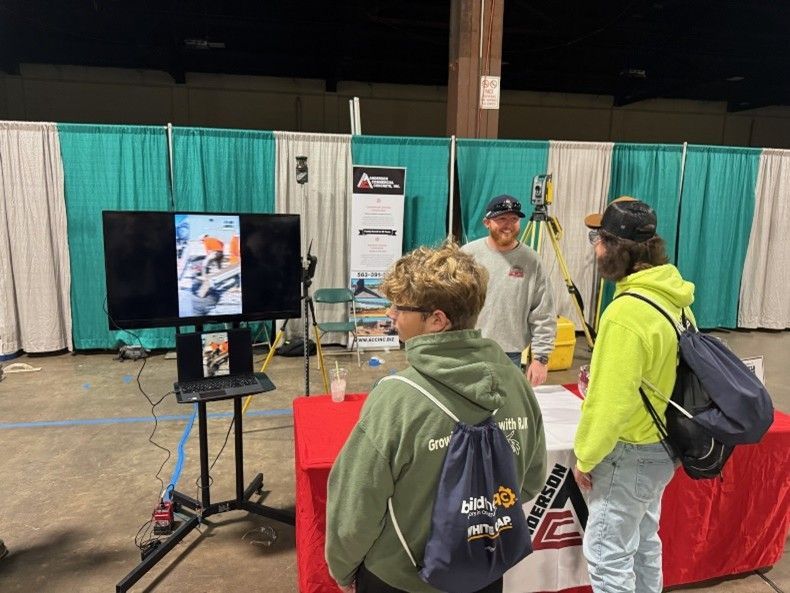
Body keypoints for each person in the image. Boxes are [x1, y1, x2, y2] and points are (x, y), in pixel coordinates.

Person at [325, 241, 547, 593]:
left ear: (436, 320)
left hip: (401, 578)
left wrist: (342, 569)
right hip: (484, 570)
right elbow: (532, 480)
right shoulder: (515, 382)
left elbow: (355, 511)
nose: (390, 315)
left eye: (400, 307)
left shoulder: (395, 399)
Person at [573, 197, 694, 593]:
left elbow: (612, 403)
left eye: (598, 238)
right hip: (664, 445)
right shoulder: (673, 299)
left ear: (615, 247)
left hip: (631, 450)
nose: (594, 247)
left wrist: (586, 456)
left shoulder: (626, 313)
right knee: (643, 542)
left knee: (609, 556)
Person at [461, 195, 556, 386]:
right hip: (469, 349)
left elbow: (543, 312)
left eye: (514, 219)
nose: (508, 225)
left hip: (509, 355)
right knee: (467, 410)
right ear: (487, 222)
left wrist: (541, 358)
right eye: (502, 219)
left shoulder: (531, 260)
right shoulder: (467, 255)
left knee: (506, 411)